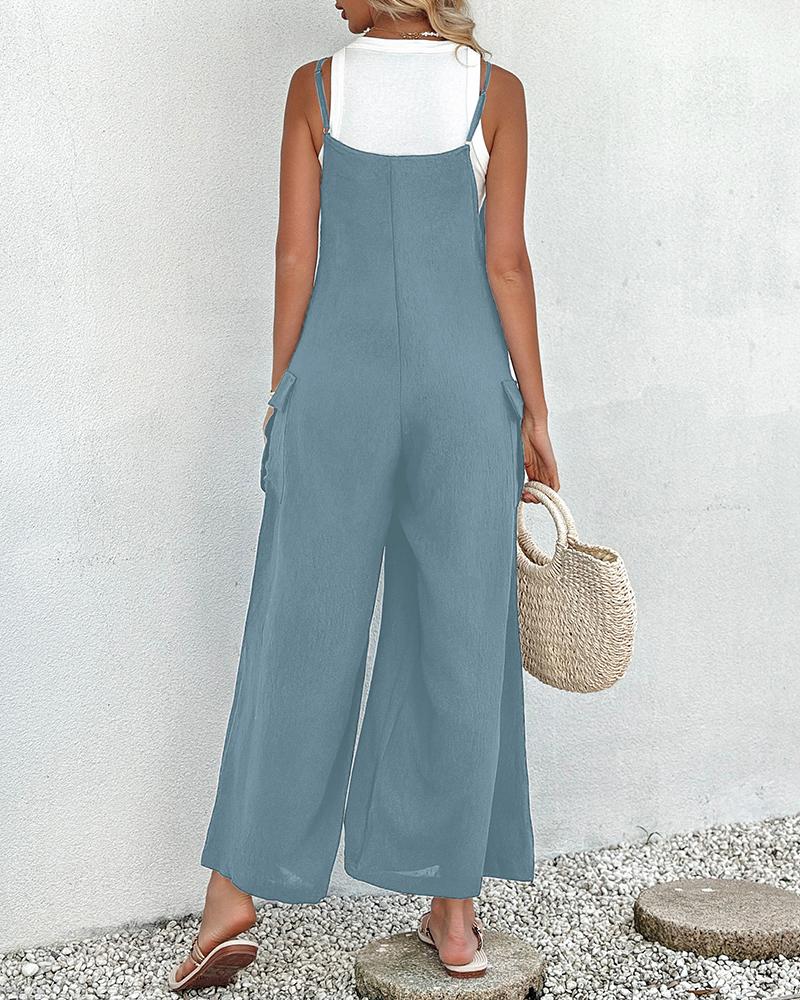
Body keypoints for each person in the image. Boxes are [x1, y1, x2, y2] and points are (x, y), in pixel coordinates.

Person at [169, 0, 559, 991]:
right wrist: (536, 409)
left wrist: (282, 390)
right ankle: (454, 914)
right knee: (460, 632)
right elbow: (505, 261)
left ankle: (230, 899)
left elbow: (294, 255)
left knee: (298, 625)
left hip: (337, 385)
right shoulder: (496, 93)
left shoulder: (316, 88)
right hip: (462, 388)